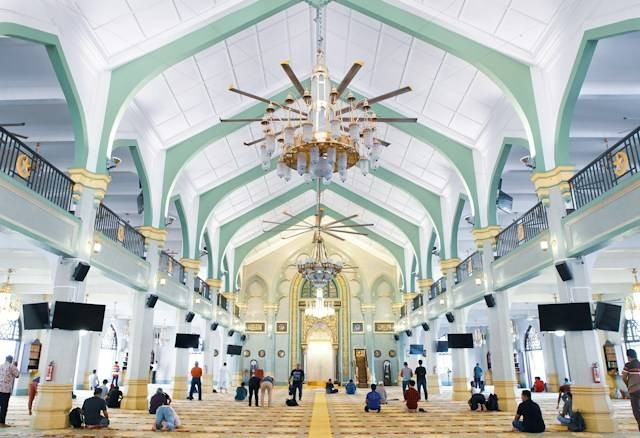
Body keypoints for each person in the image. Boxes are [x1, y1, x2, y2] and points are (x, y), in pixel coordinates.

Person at [0, 355, 19, 427]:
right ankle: (1, 423)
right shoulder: (12, 366)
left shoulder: (1, 366)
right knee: (4, 407)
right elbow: (17, 375)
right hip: (6, 390)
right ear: (11, 360)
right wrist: (15, 366)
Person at [623, 348, 640, 431]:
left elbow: (623, 377)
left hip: (633, 390)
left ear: (628, 356)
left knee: (636, 411)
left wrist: (628, 385)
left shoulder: (628, 365)